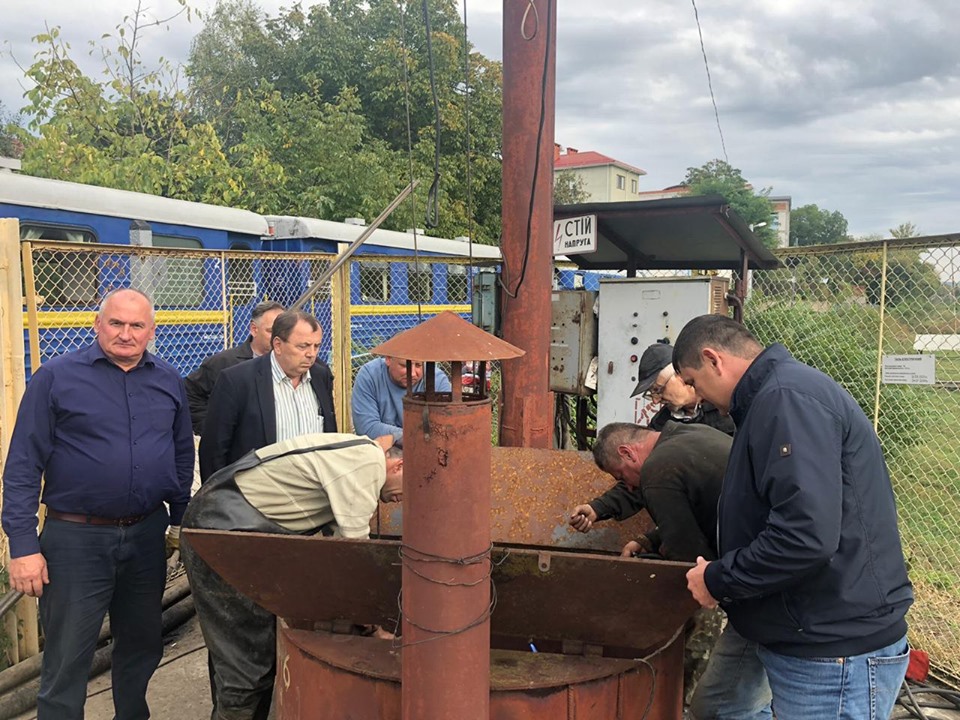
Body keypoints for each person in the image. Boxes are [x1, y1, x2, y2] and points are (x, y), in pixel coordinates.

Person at [673, 314, 913, 720]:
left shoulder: (786, 399)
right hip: (802, 625)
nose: (697, 397)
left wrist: (718, 578)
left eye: (694, 382)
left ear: (714, 359)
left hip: (833, 649)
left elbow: (805, 535)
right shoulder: (772, 399)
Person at [1, 287, 194, 720]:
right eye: (116, 323)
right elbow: (23, 464)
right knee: (67, 657)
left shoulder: (168, 380)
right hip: (76, 539)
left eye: (136, 325)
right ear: (97, 325)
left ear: (151, 331)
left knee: (142, 645)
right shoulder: (56, 378)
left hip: (146, 535)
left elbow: (182, 454)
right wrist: (24, 546)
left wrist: (180, 522)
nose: (126, 334)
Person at [181, 433, 403, 720]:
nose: (400, 500)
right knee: (246, 663)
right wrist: (376, 629)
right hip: (224, 529)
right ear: (398, 465)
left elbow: (337, 547)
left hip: (228, 519)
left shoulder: (359, 450)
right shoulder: (368, 465)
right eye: (407, 489)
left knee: (237, 652)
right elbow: (354, 557)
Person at [591, 421, 772, 718]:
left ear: (628, 452)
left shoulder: (656, 470)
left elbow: (688, 555)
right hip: (770, 566)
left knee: (713, 706)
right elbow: (701, 507)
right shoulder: (691, 434)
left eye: (621, 476)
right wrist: (649, 540)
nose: (630, 486)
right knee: (749, 700)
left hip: (754, 586)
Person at [568, 342, 733, 549]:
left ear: (680, 375)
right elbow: (645, 475)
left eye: (658, 390)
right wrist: (599, 508)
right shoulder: (663, 425)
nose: (656, 401)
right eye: (652, 394)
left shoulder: (727, 406)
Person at [198, 310, 337, 481]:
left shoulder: (321, 376)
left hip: (313, 487)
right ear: (278, 345)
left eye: (316, 346)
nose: (311, 354)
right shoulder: (237, 380)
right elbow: (213, 451)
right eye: (303, 346)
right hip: (258, 491)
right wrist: (220, 494)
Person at [185, 301, 285, 436]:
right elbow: (190, 395)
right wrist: (213, 429)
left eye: (284, 332)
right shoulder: (224, 363)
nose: (278, 338)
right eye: (271, 331)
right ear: (254, 329)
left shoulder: (295, 365)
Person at [351, 353, 452, 446]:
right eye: (405, 365)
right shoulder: (370, 375)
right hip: (381, 450)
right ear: (388, 359)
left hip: (426, 449)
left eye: (418, 365)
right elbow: (367, 428)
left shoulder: (437, 379)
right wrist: (414, 436)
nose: (413, 373)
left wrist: (395, 437)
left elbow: (446, 430)